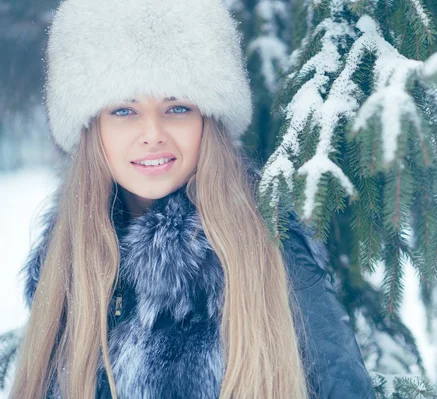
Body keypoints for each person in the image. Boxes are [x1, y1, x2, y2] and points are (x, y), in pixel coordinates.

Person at [8, 0, 376, 398]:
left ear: (208, 120)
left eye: (177, 107)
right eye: (124, 110)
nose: (153, 133)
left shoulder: (270, 249)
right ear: (90, 127)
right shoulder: (65, 260)